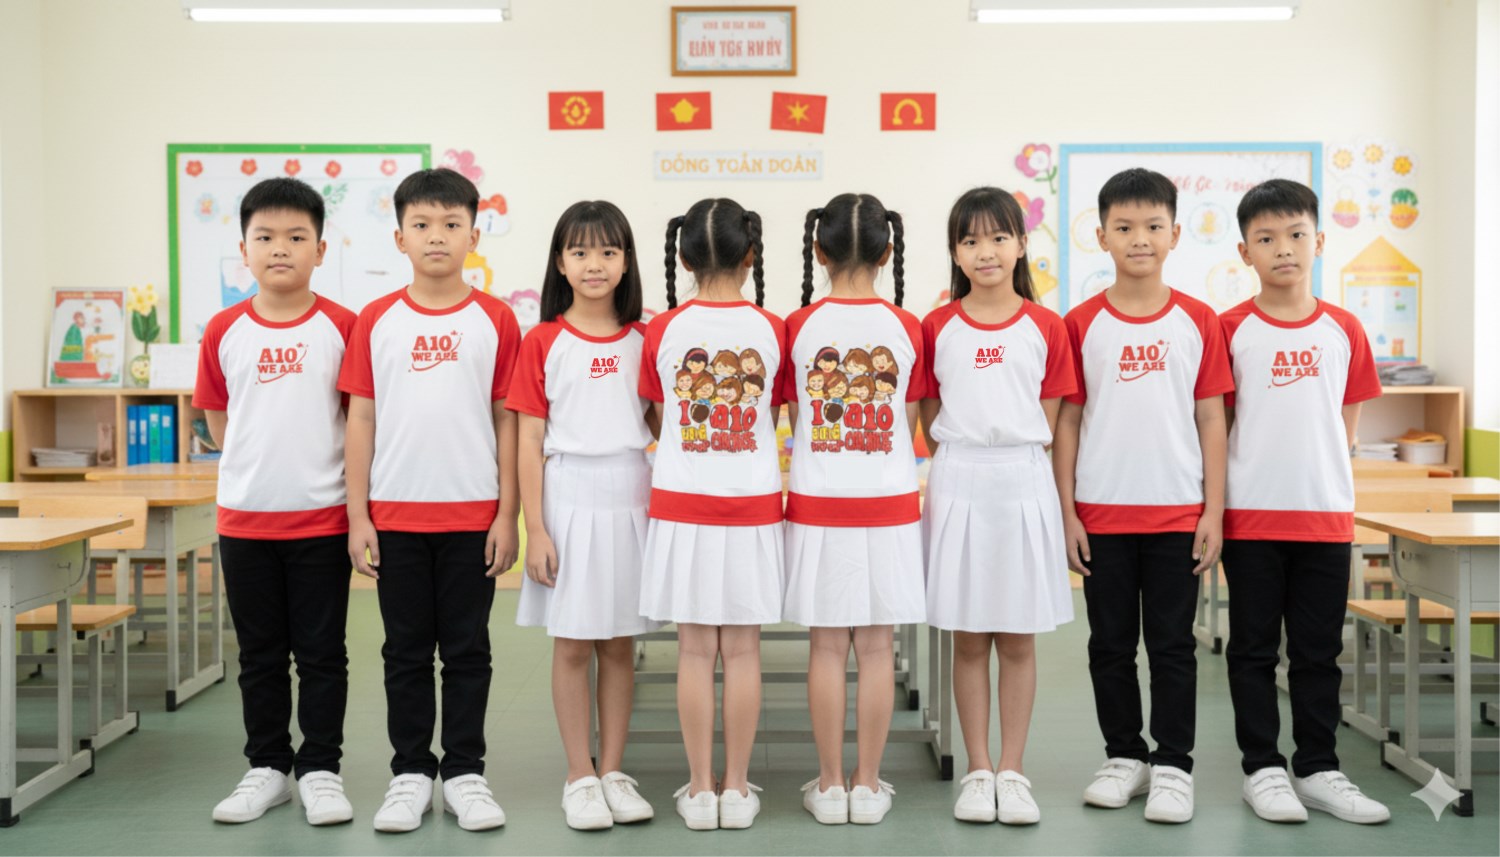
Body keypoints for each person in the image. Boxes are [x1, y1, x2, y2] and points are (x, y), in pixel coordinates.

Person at [338, 168, 521, 834]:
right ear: (400, 237)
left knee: (469, 651)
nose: (436, 236)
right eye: (421, 224)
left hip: (474, 517)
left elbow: (507, 420)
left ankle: (466, 773)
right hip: (396, 519)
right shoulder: (375, 320)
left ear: (474, 235)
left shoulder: (496, 319)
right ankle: (411, 773)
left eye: (451, 224)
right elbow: (361, 419)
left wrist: (507, 514)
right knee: (405, 652)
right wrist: (358, 516)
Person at [1054, 168, 1233, 824]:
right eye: (1124, 227)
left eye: (1153, 226)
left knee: (1172, 646)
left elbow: (1212, 417)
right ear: (1101, 236)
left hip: (1177, 515)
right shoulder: (1079, 323)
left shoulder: (1198, 320)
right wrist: (1067, 512)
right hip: (1101, 514)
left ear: (1175, 234)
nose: (1139, 238)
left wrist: (1214, 511)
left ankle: (1174, 765)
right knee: (1108, 644)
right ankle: (1124, 756)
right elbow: (1068, 422)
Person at [1219, 179, 1389, 825]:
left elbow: (1346, 422)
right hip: (1251, 519)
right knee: (1253, 650)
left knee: (1318, 653)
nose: (1283, 248)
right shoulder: (1229, 329)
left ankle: (1318, 768)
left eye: (1295, 235)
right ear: (1245, 252)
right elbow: (1220, 426)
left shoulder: (1344, 328)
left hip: (1324, 517)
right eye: (1266, 238)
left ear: (1318, 241)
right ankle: (1262, 769)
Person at [198, 177, 357, 826]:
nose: (280, 248)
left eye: (296, 237)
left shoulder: (343, 327)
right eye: (265, 237)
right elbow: (217, 419)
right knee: (259, 655)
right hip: (245, 522)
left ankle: (320, 769)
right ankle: (267, 767)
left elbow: (358, 421)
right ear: (244, 249)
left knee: (322, 654)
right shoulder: (224, 328)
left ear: (321, 249)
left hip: (323, 520)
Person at [920, 187, 1077, 825]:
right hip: (958, 479)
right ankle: (978, 769)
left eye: (998, 237)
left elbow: (1051, 418)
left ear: (1020, 245)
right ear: (955, 253)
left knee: (1016, 639)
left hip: (1022, 480)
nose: (985, 251)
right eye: (970, 240)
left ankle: (1013, 771)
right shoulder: (937, 326)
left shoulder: (1047, 326)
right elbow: (930, 416)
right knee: (967, 638)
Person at [508, 200, 659, 831]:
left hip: (632, 491)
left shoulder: (647, 339)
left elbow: (661, 423)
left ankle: (613, 771)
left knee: (619, 641)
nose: (594, 264)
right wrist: (536, 528)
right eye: (580, 252)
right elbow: (528, 440)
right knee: (572, 643)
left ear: (626, 262)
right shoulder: (542, 340)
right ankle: (579, 775)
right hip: (566, 494)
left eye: (607, 251)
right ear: (560, 263)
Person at [639, 197, 785, 831]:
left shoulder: (662, 330)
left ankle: (700, 791)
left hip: (681, 505)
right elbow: (772, 416)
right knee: (744, 651)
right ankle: (738, 788)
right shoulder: (774, 328)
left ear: (683, 257)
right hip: (753, 505)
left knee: (695, 651)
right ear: (751, 254)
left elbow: (658, 418)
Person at [783, 193, 925, 826]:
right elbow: (910, 422)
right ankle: (868, 786)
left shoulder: (798, 325)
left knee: (825, 648)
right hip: (888, 505)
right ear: (887, 251)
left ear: (819, 250)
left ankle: (829, 783)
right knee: (875, 649)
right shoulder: (908, 326)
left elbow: (794, 418)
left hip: (818, 506)